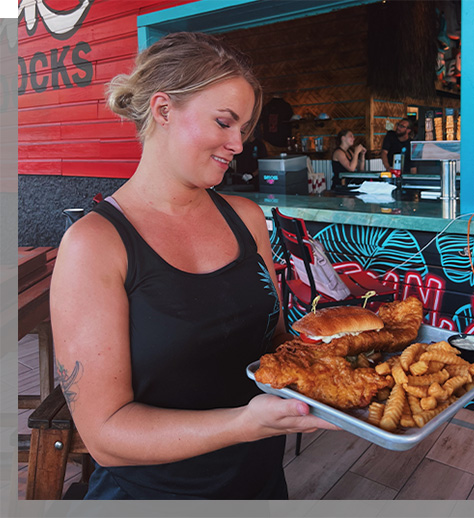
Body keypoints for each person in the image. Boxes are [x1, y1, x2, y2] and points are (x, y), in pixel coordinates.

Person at [50, 32, 338, 500]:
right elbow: (104, 437)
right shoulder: (95, 244)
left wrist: (350, 359)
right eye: (225, 122)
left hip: (261, 483)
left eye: (241, 128)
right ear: (163, 110)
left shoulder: (245, 219)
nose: (238, 143)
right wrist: (245, 423)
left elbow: (277, 347)